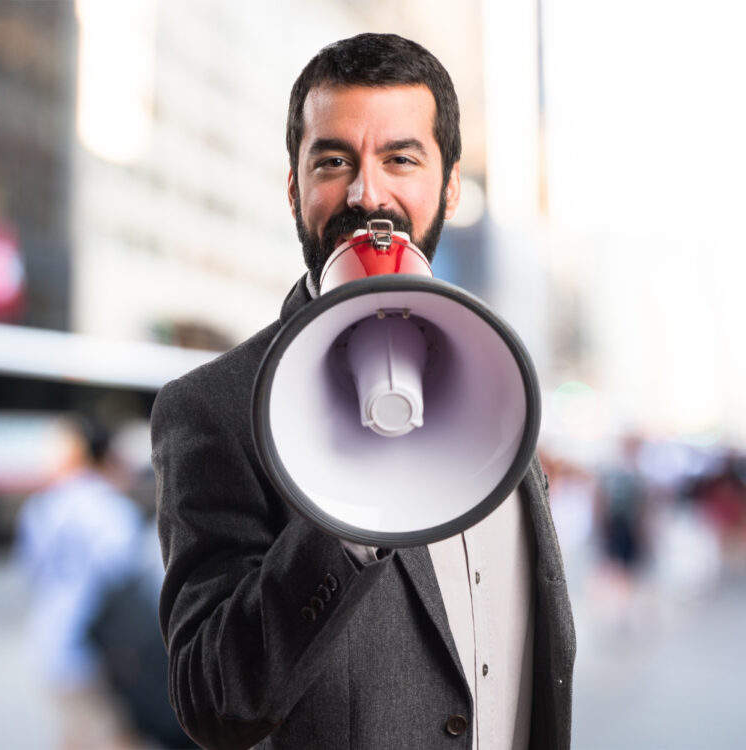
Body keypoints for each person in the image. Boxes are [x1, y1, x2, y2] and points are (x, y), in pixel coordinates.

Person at [153, 33, 575, 750]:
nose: (366, 193)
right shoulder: (214, 409)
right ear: (294, 186)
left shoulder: (498, 380)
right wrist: (347, 509)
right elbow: (212, 700)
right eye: (333, 160)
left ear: (448, 186)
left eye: (400, 158)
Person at [16, 418, 144, 750]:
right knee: (115, 736)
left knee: (76, 733)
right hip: (99, 647)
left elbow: (30, 571)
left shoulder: (40, 505)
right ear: (107, 455)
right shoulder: (111, 508)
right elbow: (123, 580)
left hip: (50, 637)